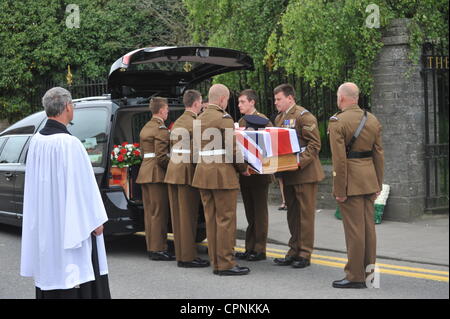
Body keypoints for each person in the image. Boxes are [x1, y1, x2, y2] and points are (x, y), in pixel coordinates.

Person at [20, 87, 111, 299]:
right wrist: (95, 220)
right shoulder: (70, 144)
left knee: (51, 266)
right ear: (68, 107)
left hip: (46, 223)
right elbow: (83, 187)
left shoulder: (35, 142)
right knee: (75, 270)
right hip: (71, 224)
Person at [328, 82, 384, 289]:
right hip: (369, 180)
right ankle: (370, 276)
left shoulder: (338, 121)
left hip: (350, 182)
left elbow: (340, 161)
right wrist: (378, 182)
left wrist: (339, 189)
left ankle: (355, 276)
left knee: (355, 231)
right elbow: (379, 153)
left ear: (342, 98)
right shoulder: (372, 120)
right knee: (369, 230)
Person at [192, 84, 250, 276]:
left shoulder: (199, 118)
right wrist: (243, 168)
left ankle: (216, 260)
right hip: (222, 175)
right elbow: (232, 150)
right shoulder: (224, 118)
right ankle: (225, 263)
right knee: (225, 219)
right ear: (223, 99)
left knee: (211, 219)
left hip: (203, 173)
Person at [272, 84, 325, 269]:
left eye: (279, 99)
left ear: (290, 98)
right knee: (293, 215)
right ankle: (293, 250)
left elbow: (314, 145)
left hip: (304, 173)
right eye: (275, 99)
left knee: (305, 215)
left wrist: (299, 162)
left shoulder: (304, 116)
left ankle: (304, 253)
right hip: (288, 174)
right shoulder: (280, 118)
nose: (276, 102)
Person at [165, 90, 210, 268]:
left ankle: (182, 254)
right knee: (188, 216)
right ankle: (188, 257)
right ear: (197, 103)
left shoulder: (178, 121)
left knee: (177, 217)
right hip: (185, 172)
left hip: (173, 170)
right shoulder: (195, 122)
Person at [234, 89, 272, 262]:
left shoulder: (263, 120)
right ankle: (249, 247)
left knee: (260, 212)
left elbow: (271, 146)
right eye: (239, 102)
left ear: (252, 102)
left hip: (259, 174)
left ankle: (260, 248)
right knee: (250, 212)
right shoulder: (241, 121)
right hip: (245, 174)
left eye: (242, 102)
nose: (239, 104)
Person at [136, 97, 175, 261]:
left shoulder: (146, 127)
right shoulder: (160, 129)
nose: (167, 112)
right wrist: (172, 168)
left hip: (144, 172)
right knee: (159, 213)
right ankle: (159, 248)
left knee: (150, 213)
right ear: (161, 110)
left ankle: (152, 247)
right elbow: (161, 157)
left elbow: (144, 153)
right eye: (166, 109)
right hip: (156, 174)